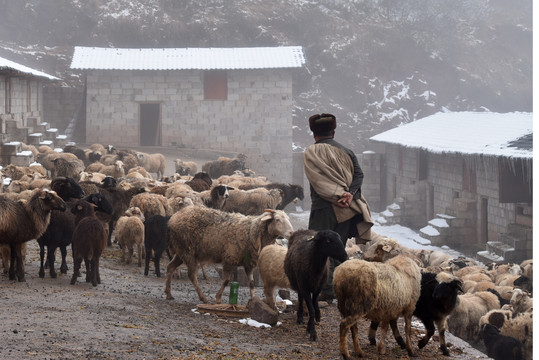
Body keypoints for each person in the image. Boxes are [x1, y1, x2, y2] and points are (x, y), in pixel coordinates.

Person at [303, 113, 373, 302]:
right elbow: (359, 176)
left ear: (313, 133)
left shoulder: (312, 152)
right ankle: (337, 287)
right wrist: (349, 194)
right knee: (338, 248)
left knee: (318, 249)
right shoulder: (347, 151)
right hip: (347, 209)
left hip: (324, 209)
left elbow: (318, 181)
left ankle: (325, 289)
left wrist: (336, 197)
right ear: (333, 131)